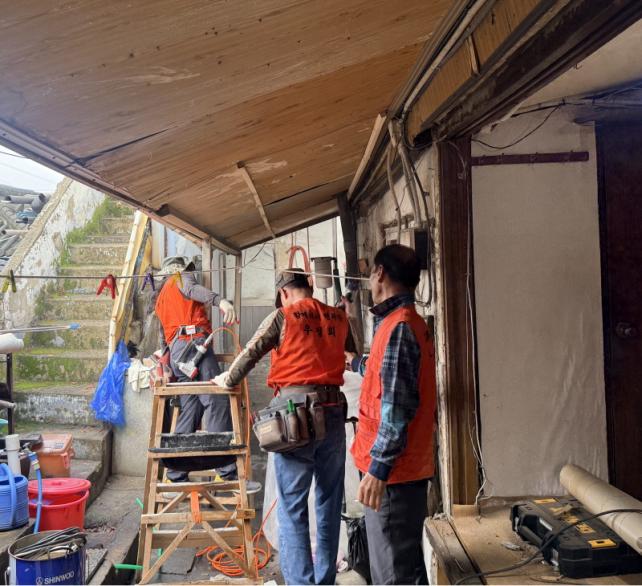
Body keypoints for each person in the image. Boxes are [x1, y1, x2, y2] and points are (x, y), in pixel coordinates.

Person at [213, 268, 350, 585]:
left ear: (284, 293)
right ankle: (324, 580)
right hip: (333, 412)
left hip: (295, 418)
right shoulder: (338, 317)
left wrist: (227, 379)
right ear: (308, 287)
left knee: (292, 507)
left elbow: (251, 352)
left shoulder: (283, 316)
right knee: (329, 503)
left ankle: (301, 583)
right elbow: (351, 353)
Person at [347, 244, 437, 585]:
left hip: (393, 477)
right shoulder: (400, 323)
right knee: (401, 564)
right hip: (399, 471)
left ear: (380, 273)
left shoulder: (399, 327)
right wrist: (356, 363)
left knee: (395, 574)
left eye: (371, 273)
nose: (370, 280)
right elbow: (386, 374)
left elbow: (397, 408)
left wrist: (378, 469)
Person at [154, 255, 238, 483]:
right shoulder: (181, 278)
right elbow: (192, 290)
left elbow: (163, 339)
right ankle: (225, 469)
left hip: (177, 353)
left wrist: (166, 366)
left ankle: (176, 471)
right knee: (216, 400)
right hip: (193, 345)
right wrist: (221, 301)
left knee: (191, 407)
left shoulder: (161, 298)